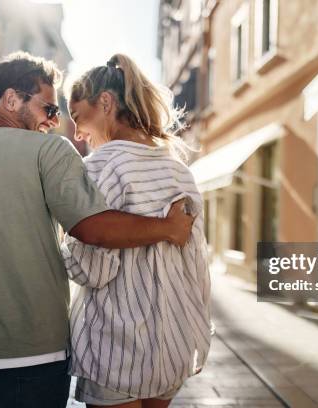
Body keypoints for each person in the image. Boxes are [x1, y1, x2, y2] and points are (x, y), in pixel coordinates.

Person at [0, 52, 194, 408]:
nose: (54, 122)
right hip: (30, 361)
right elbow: (94, 229)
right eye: (49, 109)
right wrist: (168, 228)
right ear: (10, 99)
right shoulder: (48, 149)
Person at [62, 54, 212, 408]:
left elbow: (92, 270)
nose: (77, 133)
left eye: (78, 117)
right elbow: (196, 264)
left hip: (117, 344)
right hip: (173, 340)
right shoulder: (179, 170)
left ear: (105, 103)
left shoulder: (100, 166)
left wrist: (63, 248)